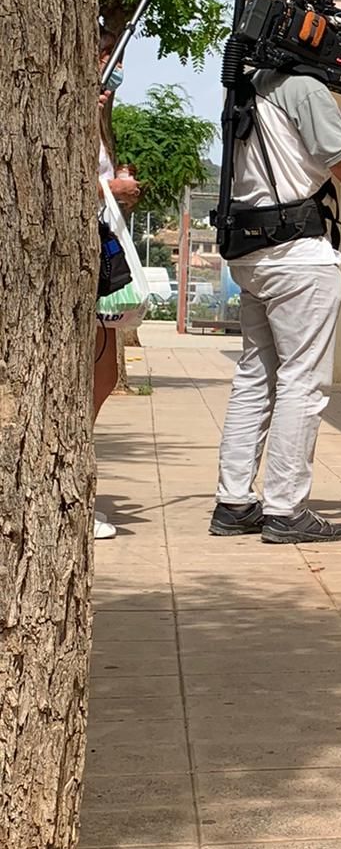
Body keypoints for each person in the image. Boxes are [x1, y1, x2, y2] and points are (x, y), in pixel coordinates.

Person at [209, 54, 341, 544]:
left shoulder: (252, 84)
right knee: (303, 383)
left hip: (253, 252)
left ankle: (234, 502)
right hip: (298, 256)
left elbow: (321, 145)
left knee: (256, 377)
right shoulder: (303, 88)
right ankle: (285, 509)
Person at [95, 32, 140, 540]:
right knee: (95, 371)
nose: (113, 70)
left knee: (102, 371)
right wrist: (112, 187)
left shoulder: (97, 121)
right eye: (106, 58)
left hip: (100, 261)